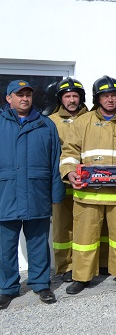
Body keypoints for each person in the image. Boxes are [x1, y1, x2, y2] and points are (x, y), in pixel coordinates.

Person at [60, 76, 116, 294]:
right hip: (87, 195)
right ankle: (81, 277)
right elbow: (69, 152)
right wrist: (69, 172)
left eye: (113, 95)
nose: (110, 99)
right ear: (97, 98)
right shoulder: (82, 122)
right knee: (84, 238)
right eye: (105, 95)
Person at [0, 80, 64, 309]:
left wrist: (56, 195)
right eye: (19, 95)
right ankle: (7, 288)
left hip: (37, 193)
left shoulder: (46, 125)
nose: (24, 98)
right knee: (5, 246)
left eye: (27, 94)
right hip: (5, 194)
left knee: (38, 242)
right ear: (9, 99)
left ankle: (41, 284)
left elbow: (55, 162)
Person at [48, 77, 88, 283]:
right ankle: (65, 266)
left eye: (75, 96)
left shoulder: (91, 118)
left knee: (87, 226)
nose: (72, 100)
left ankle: (87, 265)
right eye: (67, 96)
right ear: (60, 99)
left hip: (88, 183)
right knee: (63, 226)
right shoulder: (51, 121)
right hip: (61, 182)